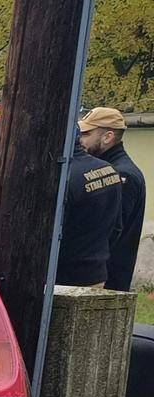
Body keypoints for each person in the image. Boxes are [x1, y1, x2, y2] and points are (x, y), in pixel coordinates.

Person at [80, 107, 145, 291]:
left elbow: (110, 232)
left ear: (107, 137)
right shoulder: (112, 169)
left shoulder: (121, 175)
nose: (80, 140)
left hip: (107, 281)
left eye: (86, 134)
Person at [58, 128, 127, 288]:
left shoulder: (63, 176)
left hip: (64, 279)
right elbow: (117, 227)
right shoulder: (109, 169)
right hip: (96, 274)